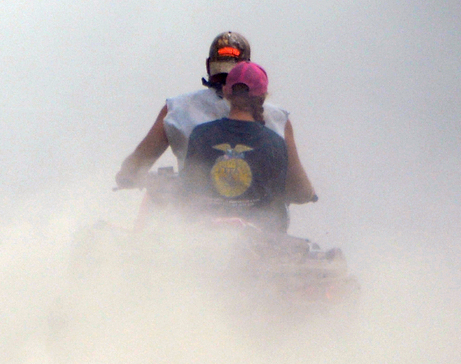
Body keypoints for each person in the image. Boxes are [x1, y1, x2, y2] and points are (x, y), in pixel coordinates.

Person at [115, 32, 293, 188]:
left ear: (209, 66)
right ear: (248, 69)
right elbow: (298, 187)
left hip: (197, 213)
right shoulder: (278, 117)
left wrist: (129, 176)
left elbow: (135, 166)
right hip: (260, 217)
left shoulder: (177, 109)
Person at [180, 62, 316, 232]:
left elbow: (186, 192)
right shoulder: (275, 142)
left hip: (207, 237)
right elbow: (287, 195)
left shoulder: (200, 134)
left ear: (226, 92)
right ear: (263, 97)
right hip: (258, 244)